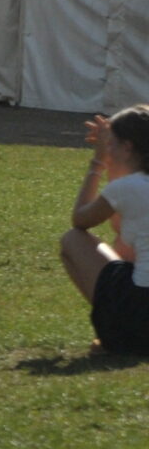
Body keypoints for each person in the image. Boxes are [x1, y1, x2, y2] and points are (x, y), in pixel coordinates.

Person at [63, 107, 149, 357]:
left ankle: (116, 330)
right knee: (125, 247)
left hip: (141, 319)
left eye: (112, 144)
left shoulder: (128, 188)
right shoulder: (132, 187)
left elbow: (80, 220)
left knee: (72, 240)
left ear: (127, 147)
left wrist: (98, 162)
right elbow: (123, 224)